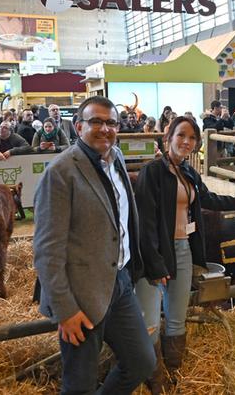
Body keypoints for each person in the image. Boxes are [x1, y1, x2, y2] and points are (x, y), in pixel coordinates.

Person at [33, 96, 155, 394]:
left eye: (111, 122)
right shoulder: (61, 172)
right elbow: (47, 250)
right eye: (96, 122)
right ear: (78, 127)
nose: (105, 129)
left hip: (120, 282)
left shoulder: (117, 159)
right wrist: (65, 310)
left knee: (141, 362)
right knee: (80, 384)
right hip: (81, 294)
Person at [134, 116, 235, 391]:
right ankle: (155, 381)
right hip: (154, 254)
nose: (186, 142)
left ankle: (175, 376)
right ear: (169, 137)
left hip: (182, 248)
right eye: (181, 136)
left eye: (192, 138)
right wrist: (155, 263)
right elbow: (145, 222)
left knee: (177, 316)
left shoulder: (189, 172)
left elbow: (208, 199)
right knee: (150, 321)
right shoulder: (152, 171)